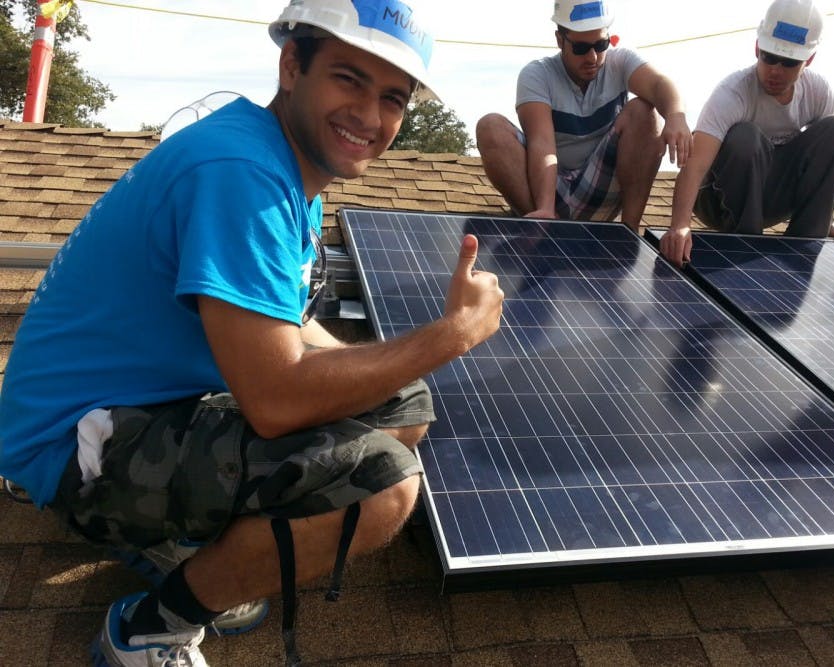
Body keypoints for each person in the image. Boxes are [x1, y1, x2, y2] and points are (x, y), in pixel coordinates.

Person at [0, 1, 504, 665]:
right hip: (72, 443)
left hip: (133, 403)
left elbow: (289, 321)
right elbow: (275, 400)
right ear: (292, 65)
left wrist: (385, 376)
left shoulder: (281, 163)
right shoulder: (240, 172)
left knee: (402, 404)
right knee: (383, 487)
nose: (370, 116)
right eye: (348, 79)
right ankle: (148, 630)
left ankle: (187, 542)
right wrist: (452, 334)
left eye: (392, 98)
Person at [660, 0, 834, 268]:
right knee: (746, 136)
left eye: (789, 63)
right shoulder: (733, 93)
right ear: (757, 48)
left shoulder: (818, 92)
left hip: (772, 196)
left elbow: (831, 162)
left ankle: (803, 248)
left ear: (808, 60)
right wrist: (680, 225)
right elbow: (695, 167)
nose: (775, 70)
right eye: (768, 57)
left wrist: (829, 215)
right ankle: (747, 244)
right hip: (718, 200)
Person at [475, 0, 692, 233]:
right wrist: (545, 206)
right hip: (547, 186)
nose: (592, 57)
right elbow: (542, 143)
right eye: (581, 48)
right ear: (560, 40)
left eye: (601, 45)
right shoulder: (537, 75)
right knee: (490, 127)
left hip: (600, 188)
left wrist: (676, 116)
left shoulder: (620, 62)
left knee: (645, 111)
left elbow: (659, 84)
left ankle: (628, 233)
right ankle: (544, 228)